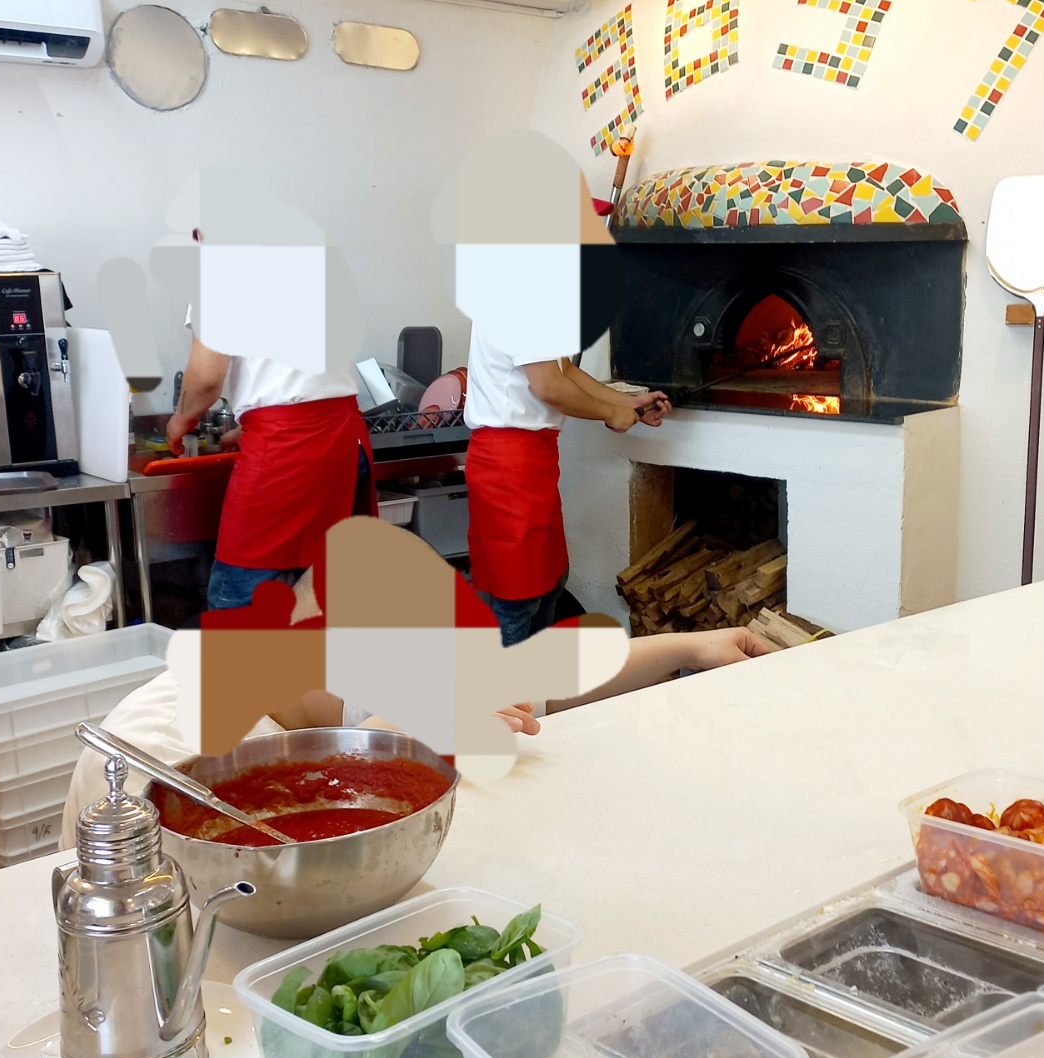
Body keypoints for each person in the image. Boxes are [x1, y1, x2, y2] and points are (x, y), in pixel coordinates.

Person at [59, 579, 767, 848]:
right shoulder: (187, 719)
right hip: (160, 885)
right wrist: (409, 727)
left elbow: (541, 676)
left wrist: (689, 647)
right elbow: (275, 819)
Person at [464, 337, 671, 645]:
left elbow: (564, 372)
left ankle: (537, 673)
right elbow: (549, 386)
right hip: (507, 463)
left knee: (551, 584)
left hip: (535, 458)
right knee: (519, 598)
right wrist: (609, 412)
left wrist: (625, 402)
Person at [167, 326, 374, 612]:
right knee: (319, 603)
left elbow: (205, 378)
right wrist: (253, 425)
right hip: (345, 439)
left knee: (234, 602)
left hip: (287, 449)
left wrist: (180, 419)